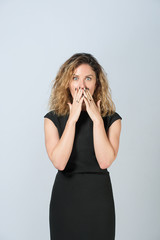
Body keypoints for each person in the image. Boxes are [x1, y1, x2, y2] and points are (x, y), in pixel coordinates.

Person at [44, 53, 122, 240]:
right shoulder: (52, 119)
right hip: (65, 199)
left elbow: (104, 161)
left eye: (88, 78)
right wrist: (72, 119)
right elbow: (60, 163)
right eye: (75, 78)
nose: (81, 85)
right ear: (67, 83)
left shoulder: (111, 119)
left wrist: (96, 119)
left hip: (98, 201)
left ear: (97, 83)